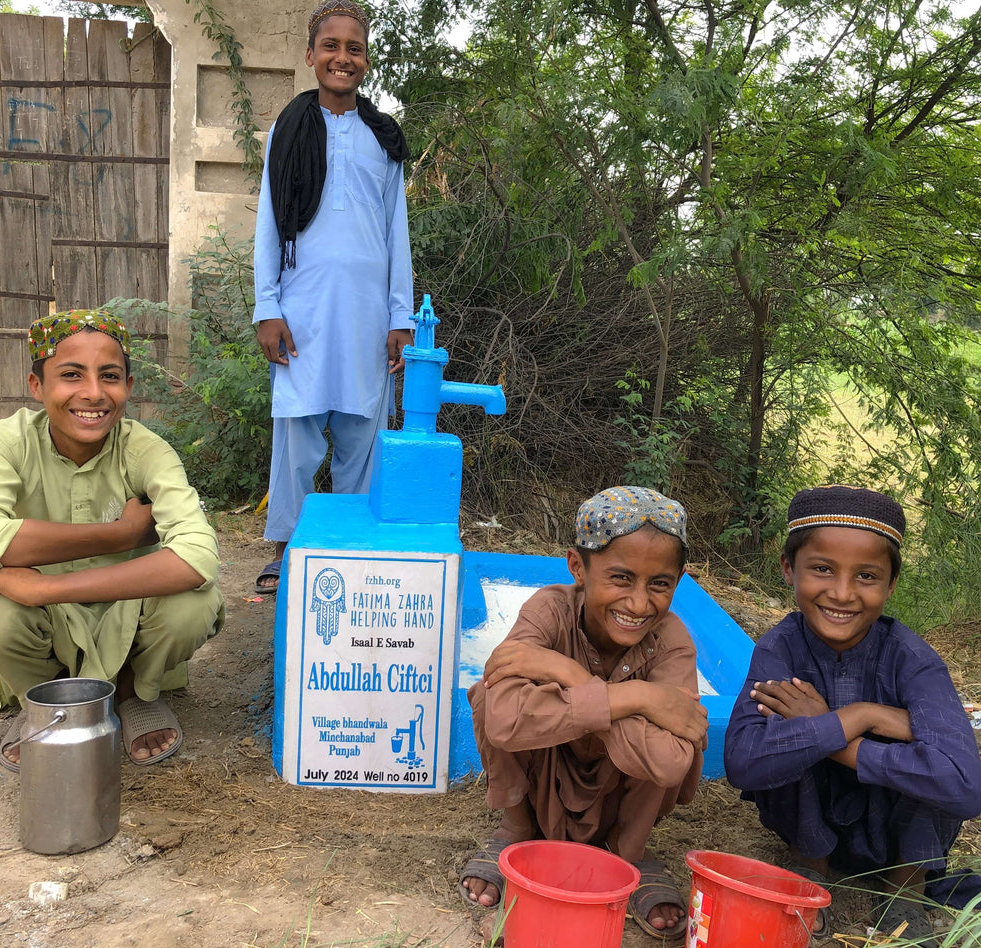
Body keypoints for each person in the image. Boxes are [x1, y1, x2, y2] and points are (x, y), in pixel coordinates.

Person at [0, 309, 225, 771]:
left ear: (129, 386)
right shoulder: (3, 442)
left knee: (194, 603)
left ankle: (132, 692)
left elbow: (198, 556)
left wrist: (45, 586)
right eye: (71, 375)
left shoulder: (145, 449)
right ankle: (43, 699)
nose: (94, 394)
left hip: (128, 608)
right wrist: (120, 533)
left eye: (110, 376)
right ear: (37, 386)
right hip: (46, 623)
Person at [724, 485, 981, 943]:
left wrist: (851, 725)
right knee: (789, 727)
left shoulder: (913, 660)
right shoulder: (779, 648)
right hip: (811, 821)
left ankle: (905, 888)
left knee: (925, 759)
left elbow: (964, 787)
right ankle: (810, 867)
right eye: (822, 569)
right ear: (788, 568)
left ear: (891, 584)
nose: (842, 594)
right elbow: (743, 761)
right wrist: (860, 719)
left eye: (866, 576)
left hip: (895, 833)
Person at [460, 486, 708, 937]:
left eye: (660, 583)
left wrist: (571, 678)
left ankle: (626, 854)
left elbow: (671, 762)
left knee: (681, 742)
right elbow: (501, 717)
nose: (638, 603)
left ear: (678, 579)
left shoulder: (671, 640)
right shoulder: (549, 611)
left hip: (620, 791)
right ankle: (516, 827)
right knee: (488, 695)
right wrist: (639, 699)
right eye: (620, 578)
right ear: (578, 567)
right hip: (545, 772)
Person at [251, 0, 414, 594]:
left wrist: (401, 315)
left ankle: (346, 546)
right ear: (311, 55)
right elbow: (270, 222)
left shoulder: (383, 139)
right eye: (331, 46)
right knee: (296, 433)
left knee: (362, 432)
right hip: (302, 311)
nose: (342, 57)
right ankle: (287, 546)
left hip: (369, 315)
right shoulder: (287, 132)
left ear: (367, 60)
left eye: (355, 48)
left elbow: (397, 228)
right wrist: (266, 306)